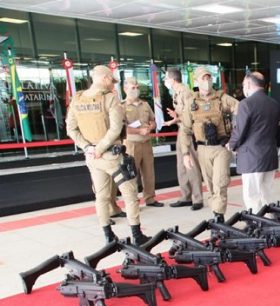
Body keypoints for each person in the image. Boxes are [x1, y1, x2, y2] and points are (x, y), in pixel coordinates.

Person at [65, 65, 150, 245]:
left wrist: (87, 147)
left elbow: (71, 129)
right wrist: (101, 148)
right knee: (130, 193)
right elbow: (115, 128)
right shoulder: (110, 98)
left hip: (92, 158)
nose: (113, 85)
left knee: (101, 197)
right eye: (112, 81)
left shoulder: (77, 99)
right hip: (111, 156)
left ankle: (108, 235)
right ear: (104, 79)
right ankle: (137, 235)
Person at [180, 67, 239, 223]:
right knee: (210, 185)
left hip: (221, 148)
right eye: (203, 78)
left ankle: (219, 218)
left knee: (220, 182)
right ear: (197, 81)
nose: (207, 81)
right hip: (202, 148)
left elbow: (242, 111)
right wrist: (185, 153)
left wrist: (235, 136)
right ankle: (216, 214)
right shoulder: (191, 102)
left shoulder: (222, 98)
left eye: (209, 78)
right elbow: (185, 129)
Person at [228, 72, 280, 213]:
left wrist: (231, 144)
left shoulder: (246, 104)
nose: (243, 87)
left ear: (249, 84)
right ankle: (271, 222)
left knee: (252, 195)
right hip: (269, 155)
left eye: (244, 84)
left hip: (252, 158)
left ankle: (257, 225)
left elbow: (240, 131)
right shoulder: (274, 103)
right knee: (267, 193)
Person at [163, 68, 204, 211]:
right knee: (181, 165)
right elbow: (183, 112)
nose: (165, 81)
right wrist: (176, 115)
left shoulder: (186, 92)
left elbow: (191, 115)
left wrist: (175, 120)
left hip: (188, 132)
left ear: (173, 80)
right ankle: (185, 196)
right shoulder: (176, 92)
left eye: (166, 78)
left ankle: (197, 198)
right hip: (181, 130)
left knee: (190, 164)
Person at [122, 77, 163, 207]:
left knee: (149, 173)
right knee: (132, 174)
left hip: (146, 143)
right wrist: (139, 131)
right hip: (131, 145)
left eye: (137, 87)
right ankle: (133, 202)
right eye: (133, 87)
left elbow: (153, 121)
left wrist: (151, 126)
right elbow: (121, 128)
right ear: (125, 89)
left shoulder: (145, 104)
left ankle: (150, 198)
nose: (136, 89)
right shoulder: (122, 106)